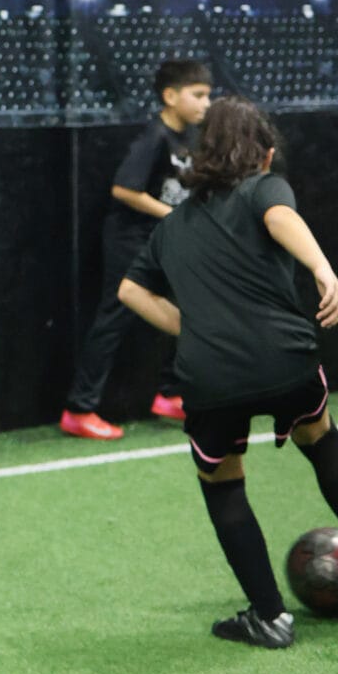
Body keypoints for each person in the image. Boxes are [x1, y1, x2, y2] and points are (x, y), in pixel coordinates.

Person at [117, 94, 338, 648]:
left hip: (210, 376)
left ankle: (268, 617)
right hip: (284, 359)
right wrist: (323, 270)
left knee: (222, 480)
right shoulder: (264, 187)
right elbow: (280, 215)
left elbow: (130, 290)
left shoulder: (172, 227)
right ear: (265, 156)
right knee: (320, 438)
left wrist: (193, 329)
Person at [59, 57, 212, 440]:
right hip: (131, 239)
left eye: (208, 95)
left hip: (165, 239)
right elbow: (124, 190)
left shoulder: (191, 137)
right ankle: (79, 410)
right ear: (170, 96)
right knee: (114, 318)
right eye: (197, 95)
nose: (205, 103)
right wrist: (171, 216)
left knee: (190, 307)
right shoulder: (154, 136)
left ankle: (171, 394)